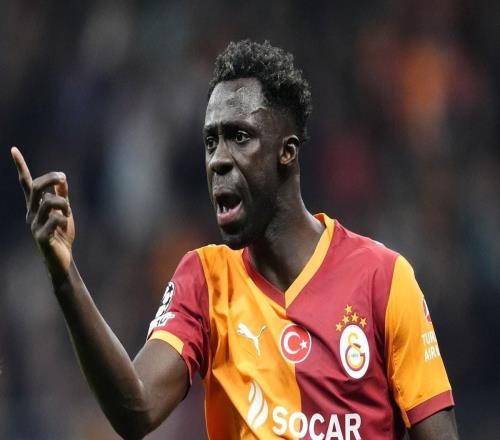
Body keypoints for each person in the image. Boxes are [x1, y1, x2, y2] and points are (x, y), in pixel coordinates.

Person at [11, 40, 458, 439]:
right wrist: (65, 275)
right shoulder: (205, 281)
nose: (217, 160)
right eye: (211, 142)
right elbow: (137, 409)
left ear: (287, 152)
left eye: (239, 137)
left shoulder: (383, 278)